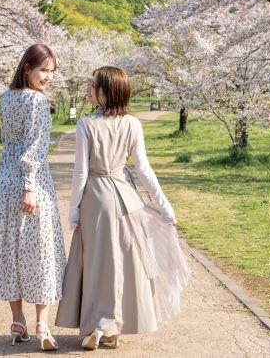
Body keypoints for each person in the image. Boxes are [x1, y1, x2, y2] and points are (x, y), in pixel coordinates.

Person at [55, 66, 191, 350]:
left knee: (95, 264)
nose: (88, 89)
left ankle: (96, 325)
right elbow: (143, 168)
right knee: (121, 264)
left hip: (96, 199)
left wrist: (74, 210)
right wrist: (164, 204)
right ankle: (112, 327)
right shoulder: (132, 124)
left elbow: (80, 173)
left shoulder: (86, 125)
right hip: (126, 199)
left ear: (107, 92)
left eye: (94, 85)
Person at [0, 44, 65, 352]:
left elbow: (12, 142)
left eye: (51, 72)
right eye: (43, 70)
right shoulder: (37, 101)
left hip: (4, 178)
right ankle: (41, 324)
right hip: (31, 182)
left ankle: (17, 320)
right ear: (27, 68)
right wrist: (30, 185)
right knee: (40, 248)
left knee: (10, 248)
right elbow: (37, 145)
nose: (47, 77)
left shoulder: (7, 97)